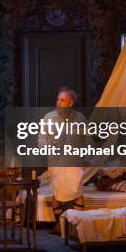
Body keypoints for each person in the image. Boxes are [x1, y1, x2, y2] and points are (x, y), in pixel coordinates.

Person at [39, 87, 87, 220]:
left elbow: (86, 140)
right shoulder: (49, 118)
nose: (58, 102)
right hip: (56, 163)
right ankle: (59, 224)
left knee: (77, 191)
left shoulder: (79, 118)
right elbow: (41, 139)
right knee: (58, 192)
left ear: (71, 103)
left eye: (63, 100)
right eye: (58, 99)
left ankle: (78, 223)